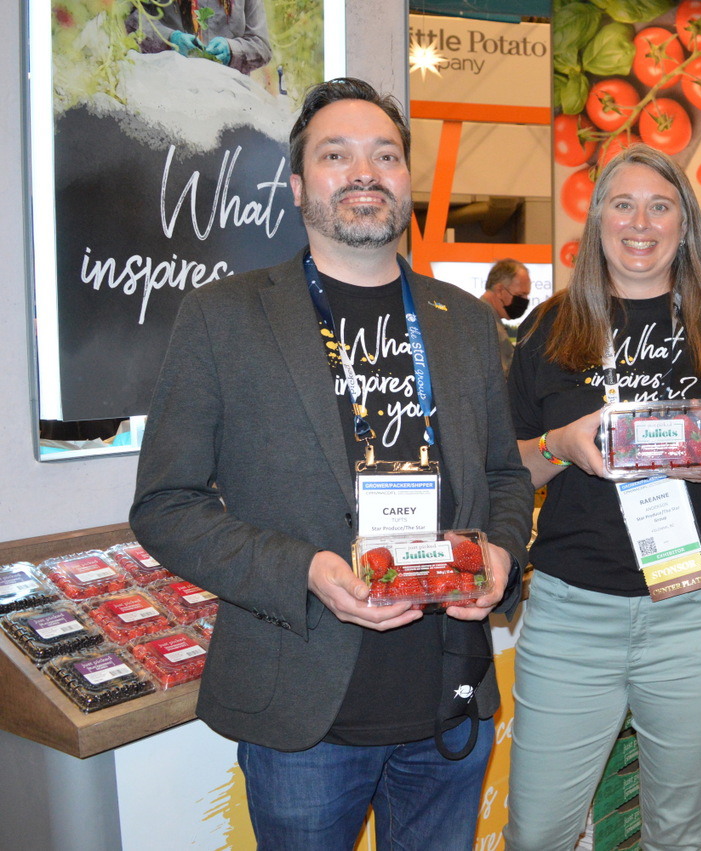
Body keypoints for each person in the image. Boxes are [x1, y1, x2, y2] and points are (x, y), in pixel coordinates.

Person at [131, 78, 533, 850]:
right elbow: (166, 503)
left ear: (406, 180)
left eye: (385, 155)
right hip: (303, 717)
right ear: (296, 184)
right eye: (336, 154)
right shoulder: (223, 317)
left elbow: (505, 475)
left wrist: (503, 554)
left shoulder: (462, 323)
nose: (364, 172)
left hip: (450, 700)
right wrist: (306, 570)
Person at [503, 144, 701, 851]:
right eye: (622, 204)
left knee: (677, 834)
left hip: (698, 614)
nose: (641, 222)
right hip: (571, 615)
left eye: (661, 206)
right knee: (537, 834)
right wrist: (561, 445)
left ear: (686, 225)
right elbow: (507, 469)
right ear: (597, 219)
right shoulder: (549, 328)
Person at [129, 0, 271, 76]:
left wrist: (231, 51)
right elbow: (130, 23)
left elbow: (261, 46)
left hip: (227, 97)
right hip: (168, 89)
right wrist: (170, 39)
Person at [480, 258, 532, 373]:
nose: (525, 301)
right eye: (520, 295)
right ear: (499, 291)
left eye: (526, 295)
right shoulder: (486, 325)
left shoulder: (488, 319)